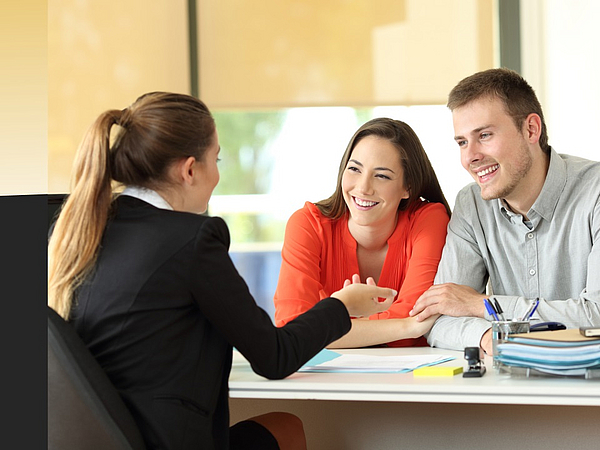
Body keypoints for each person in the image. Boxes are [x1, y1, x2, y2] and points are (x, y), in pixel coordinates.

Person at [47, 92, 398, 450]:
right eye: (216, 159)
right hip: (165, 440)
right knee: (287, 428)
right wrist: (343, 306)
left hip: (116, 437)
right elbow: (274, 357)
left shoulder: (90, 229)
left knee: (281, 427)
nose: (217, 174)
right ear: (189, 170)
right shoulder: (191, 240)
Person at [409, 68, 600, 354]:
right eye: (462, 142)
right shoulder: (471, 205)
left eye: (484, 135)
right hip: (509, 386)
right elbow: (440, 319)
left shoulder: (594, 192)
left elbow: (596, 316)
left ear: (531, 130)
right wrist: (490, 337)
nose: (470, 156)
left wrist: (484, 305)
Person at [274, 118, 451, 348]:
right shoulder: (308, 224)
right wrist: (407, 326)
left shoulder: (428, 219)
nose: (363, 188)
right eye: (355, 169)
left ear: (408, 187)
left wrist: (331, 325)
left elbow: (306, 332)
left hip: (411, 380)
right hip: (330, 379)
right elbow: (292, 329)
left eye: (382, 175)